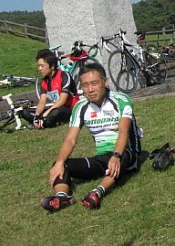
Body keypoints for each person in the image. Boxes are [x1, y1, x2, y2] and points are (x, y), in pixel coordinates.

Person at [40, 62, 141, 212]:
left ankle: (97, 192)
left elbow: (123, 132)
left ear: (105, 82)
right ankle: (61, 198)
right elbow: (70, 139)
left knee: (121, 157)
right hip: (102, 159)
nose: (90, 89)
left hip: (126, 154)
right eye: (85, 85)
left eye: (94, 83)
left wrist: (116, 155)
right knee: (61, 164)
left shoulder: (121, 100)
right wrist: (60, 162)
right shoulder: (81, 107)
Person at [23, 48, 79, 129]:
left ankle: (43, 122)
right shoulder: (44, 82)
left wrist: (46, 114)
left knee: (55, 113)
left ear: (52, 66)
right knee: (25, 112)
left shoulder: (64, 76)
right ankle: (40, 122)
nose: (39, 69)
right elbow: (42, 101)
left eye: (42, 66)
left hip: (70, 109)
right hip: (55, 108)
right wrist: (37, 116)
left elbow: (62, 101)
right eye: (38, 66)